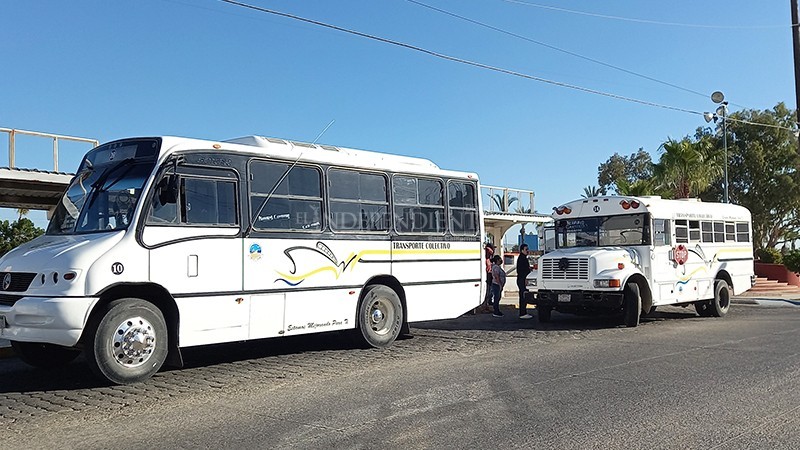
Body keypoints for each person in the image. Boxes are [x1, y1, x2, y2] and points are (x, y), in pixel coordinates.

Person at [516, 244, 533, 319]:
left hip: (522, 279)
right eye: (526, 249)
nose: (527, 251)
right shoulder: (522, 259)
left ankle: (523, 312)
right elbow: (522, 271)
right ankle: (522, 313)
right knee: (523, 296)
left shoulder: (523, 258)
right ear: (522, 250)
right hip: (522, 279)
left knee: (523, 295)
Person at [484, 244, 494, 309]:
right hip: (487, 276)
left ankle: (488, 303)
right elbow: (489, 250)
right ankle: (485, 305)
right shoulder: (487, 259)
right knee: (487, 292)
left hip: (489, 276)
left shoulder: (489, 259)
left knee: (489, 291)